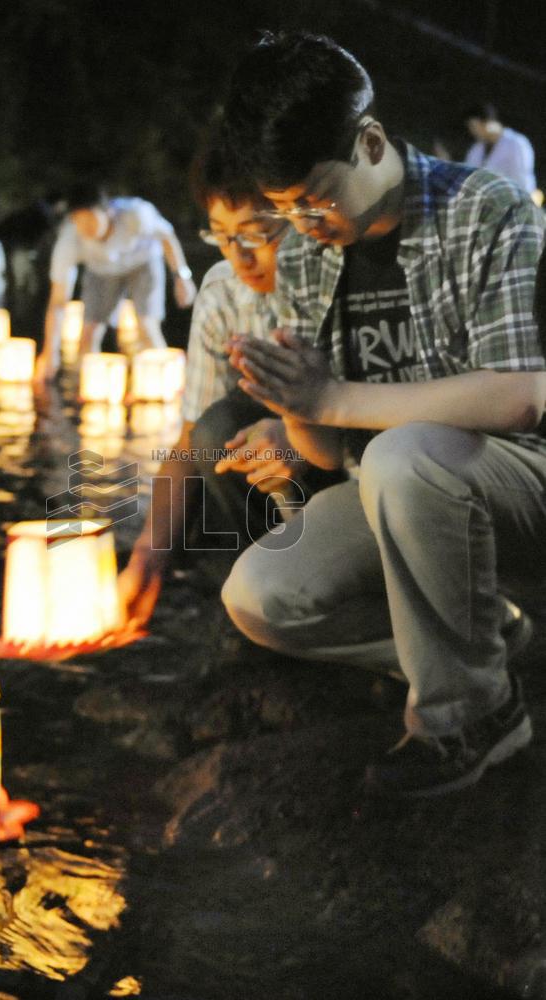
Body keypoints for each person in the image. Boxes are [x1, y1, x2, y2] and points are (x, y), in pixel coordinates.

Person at [219, 31, 546, 798]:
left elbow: (521, 395)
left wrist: (335, 398)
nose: (302, 221)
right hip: (397, 490)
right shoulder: (306, 252)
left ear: (368, 141)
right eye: (282, 207)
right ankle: (483, 640)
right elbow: (332, 456)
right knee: (262, 597)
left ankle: (471, 715)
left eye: (314, 196)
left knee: (406, 457)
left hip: (519, 475)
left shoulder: (483, 208)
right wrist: (292, 404)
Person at [118, 132, 342, 629]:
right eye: (222, 235)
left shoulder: (343, 276)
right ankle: (245, 609)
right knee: (215, 435)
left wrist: (304, 440)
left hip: (348, 465)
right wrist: (148, 557)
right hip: (266, 482)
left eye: (257, 233)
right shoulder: (222, 292)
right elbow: (188, 440)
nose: (240, 257)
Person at [35, 184, 197, 382]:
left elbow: (166, 236)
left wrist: (182, 277)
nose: (85, 226)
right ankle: (90, 388)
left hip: (144, 262)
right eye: (78, 220)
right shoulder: (70, 240)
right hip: (101, 271)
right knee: (89, 331)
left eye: (90, 217)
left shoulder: (135, 214)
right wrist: (50, 351)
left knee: (147, 325)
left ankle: (164, 384)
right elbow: (58, 301)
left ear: (108, 211)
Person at [464, 102, 536, 195]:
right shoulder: (476, 149)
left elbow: (523, 180)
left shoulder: (516, 144)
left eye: (474, 126)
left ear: (487, 123)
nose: (472, 131)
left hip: (515, 202)